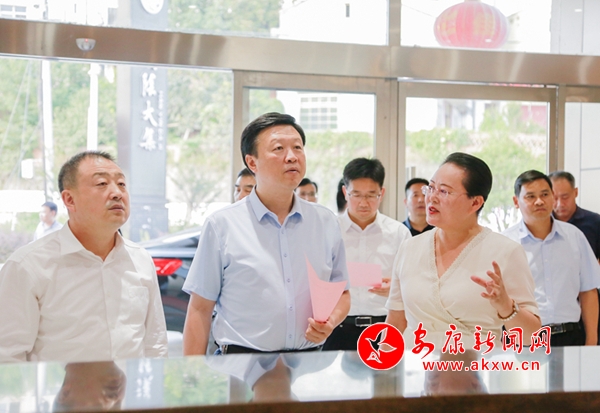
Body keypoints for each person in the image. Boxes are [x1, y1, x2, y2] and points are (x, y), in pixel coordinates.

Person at [182, 113, 350, 355]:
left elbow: (342, 291)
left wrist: (331, 321)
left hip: (310, 363)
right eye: (278, 148)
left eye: (297, 147)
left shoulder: (325, 222)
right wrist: (192, 371)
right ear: (252, 163)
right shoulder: (222, 225)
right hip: (241, 363)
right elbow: (200, 309)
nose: (292, 156)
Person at [0, 151, 168, 363]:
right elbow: (7, 356)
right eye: (102, 184)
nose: (117, 193)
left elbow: (155, 343)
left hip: (129, 385)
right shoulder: (28, 266)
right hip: (60, 386)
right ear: (69, 199)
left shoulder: (140, 259)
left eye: (122, 184)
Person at [386, 152, 540, 344]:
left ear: (475, 202)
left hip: (475, 360)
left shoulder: (506, 251)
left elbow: (531, 336)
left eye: (444, 191)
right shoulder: (409, 248)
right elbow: (395, 322)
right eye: (431, 188)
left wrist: (506, 306)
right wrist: (383, 362)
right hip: (416, 359)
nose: (432, 197)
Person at [503, 170, 600, 346]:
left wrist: (592, 341)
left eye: (545, 194)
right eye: (530, 196)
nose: (539, 201)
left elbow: (588, 291)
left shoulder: (574, 236)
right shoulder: (505, 243)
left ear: (552, 197)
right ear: (516, 202)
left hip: (570, 336)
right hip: (523, 340)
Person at [323, 158, 410, 350]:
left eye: (371, 195)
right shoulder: (328, 231)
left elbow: (412, 282)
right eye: (356, 195)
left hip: (384, 328)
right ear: (345, 192)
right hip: (338, 328)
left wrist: (397, 288)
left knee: (387, 372)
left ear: (382, 193)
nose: (363, 203)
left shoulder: (398, 233)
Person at [549, 171, 600, 260]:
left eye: (565, 197)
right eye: (554, 198)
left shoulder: (595, 221)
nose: (560, 204)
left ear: (575, 192)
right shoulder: (544, 224)